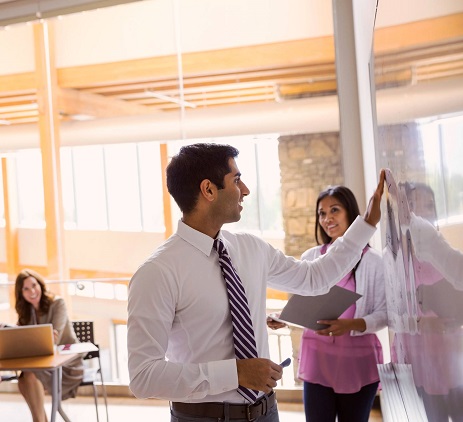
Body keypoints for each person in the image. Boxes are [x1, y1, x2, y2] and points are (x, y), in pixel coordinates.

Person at [127, 143, 385, 422]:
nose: (246, 190)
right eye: (236, 180)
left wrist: (367, 224)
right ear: (209, 190)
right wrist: (235, 372)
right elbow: (143, 376)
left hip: (266, 412)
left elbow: (314, 278)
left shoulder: (251, 249)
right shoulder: (157, 272)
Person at [268, 186, 386, 422]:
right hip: (317, 360)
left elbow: (387, 312)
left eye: (334, 210)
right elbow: (303, 305)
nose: (327, 218)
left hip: (357, 362)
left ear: (350, 214)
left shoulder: (373, 262)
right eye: (322, 213)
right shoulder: (311, 257)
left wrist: (353, 323)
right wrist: (284, 317)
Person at [15, 269, 84, 422]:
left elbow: (54, 338)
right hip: (41, 364)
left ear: (40, 285)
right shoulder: (25, 312)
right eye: (26, 288)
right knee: (23, 379)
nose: (32, 291)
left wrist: (33, 342)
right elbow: (20, 340)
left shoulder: (57, 303)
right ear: (21, 293)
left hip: (66, 364)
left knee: (28, 376)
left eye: (34, 285)